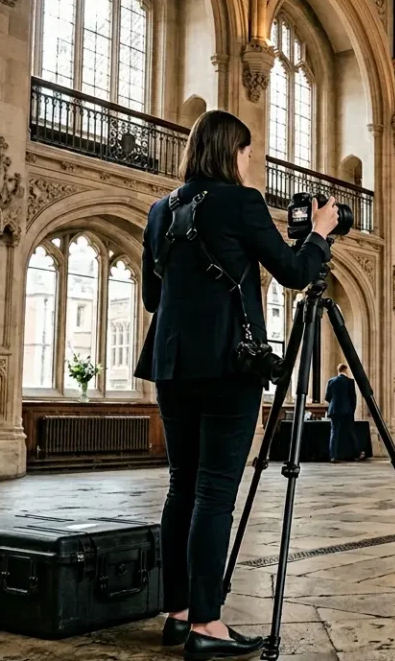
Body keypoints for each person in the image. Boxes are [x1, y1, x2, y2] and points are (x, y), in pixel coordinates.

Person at [135, 110, 340, 660]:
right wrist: (320, 234)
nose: (250, 162)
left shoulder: (160, 210)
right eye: (248, 153)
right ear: (233, 152)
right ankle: (208, 624)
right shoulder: (241, 202)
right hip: (229, 364)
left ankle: (179, 613)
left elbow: (153, 298)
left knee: (181, 486)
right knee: (214, 493)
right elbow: (294, 272)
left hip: (171, 364)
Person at [325, 364, 360, 462]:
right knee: (350, 431)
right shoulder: (350, 382)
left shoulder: (331, 381)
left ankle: (333, 456)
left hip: (334, 410)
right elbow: (353, 398)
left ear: (338, 370)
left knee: (334, 432)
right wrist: (352, 410)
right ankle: (356, 454)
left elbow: (327, 397)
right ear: (346, 370)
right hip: (347, 410)